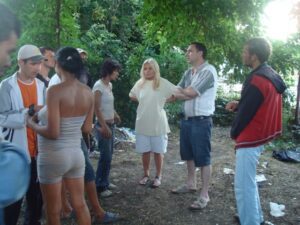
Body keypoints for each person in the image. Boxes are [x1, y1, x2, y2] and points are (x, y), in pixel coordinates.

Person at [48, 48, 120, 223]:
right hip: (70, 141)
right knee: (84, 177)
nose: (81, 62)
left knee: (74, 183)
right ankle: (93, 211)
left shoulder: (60, 84)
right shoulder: (60, 84)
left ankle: (71, 209)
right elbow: (65, 127)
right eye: (79, 58)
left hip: (66, 142)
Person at [27, 47, 93, 225]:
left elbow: (53, 132)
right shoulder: (88, 92)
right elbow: (87, 128)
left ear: (58, 65)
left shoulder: (54, 91)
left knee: (53, 209)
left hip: (53, 156)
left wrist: (31, 124)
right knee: (80, 205)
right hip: (76, 155)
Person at [226, 38, 286, 225]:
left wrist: (234, 132)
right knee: (249, 182)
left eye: (245, 51)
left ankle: (250, 221)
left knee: (243, 185)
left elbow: (246, 113)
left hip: (251, 137)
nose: (242, 54)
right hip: (261, 135)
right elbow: (257, 103)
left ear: (254, 56)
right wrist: (240, 103)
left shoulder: (257, 79)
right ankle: (253, 218)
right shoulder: (270, 74)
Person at [0, 44, 45, 225]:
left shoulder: (42, 85)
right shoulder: (6, 86)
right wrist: (29, 111)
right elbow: (2, 117)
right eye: (33, 64)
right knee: (13, 203)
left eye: (39, 64)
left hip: (38, 151)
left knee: (35, 201)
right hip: (17, 153)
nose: (37, 68)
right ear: (21, 62)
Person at [171, 42, 218, 210]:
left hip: (202, 120)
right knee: (188, 154)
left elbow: (189, 92)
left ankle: (204, 195)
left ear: (200, 52)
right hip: (187, 119)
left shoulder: (209, 71)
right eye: (187, 51)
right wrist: (180, 93)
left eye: (190, 51)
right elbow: (177, 91)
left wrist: (183, 92)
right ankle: (191, 184)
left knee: (203, 158)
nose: (187, 53)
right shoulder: (188, 72)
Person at [0, 4, 30, 225]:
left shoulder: (42, 85)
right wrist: (24, 118)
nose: (7, 61)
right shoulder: (6, 86)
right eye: (8, 51)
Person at [129, 58, 176, 188]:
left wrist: (165, 101)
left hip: (158, 123)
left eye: (150, 68)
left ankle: (158, 176)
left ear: (155, 69)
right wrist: (143, 102)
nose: (147, 71)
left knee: (158, 152)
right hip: (143, 122)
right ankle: (145, 174)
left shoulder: (162, 82)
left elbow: (175, 94)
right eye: (145, 68)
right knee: (145, 151)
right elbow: (131, 95)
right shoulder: (140, 84)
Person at [93, 59, 121, 197]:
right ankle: (99, 186)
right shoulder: (98, 86)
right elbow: (96, 109)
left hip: (111, 124)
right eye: (116, 71)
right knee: (105, 156)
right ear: (109, 71)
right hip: (102, 125)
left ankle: (105, 181)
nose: (117, 74)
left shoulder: (109, 85)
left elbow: (109, 104)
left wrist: (115, 115)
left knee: (109, 156)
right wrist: (104, 126)